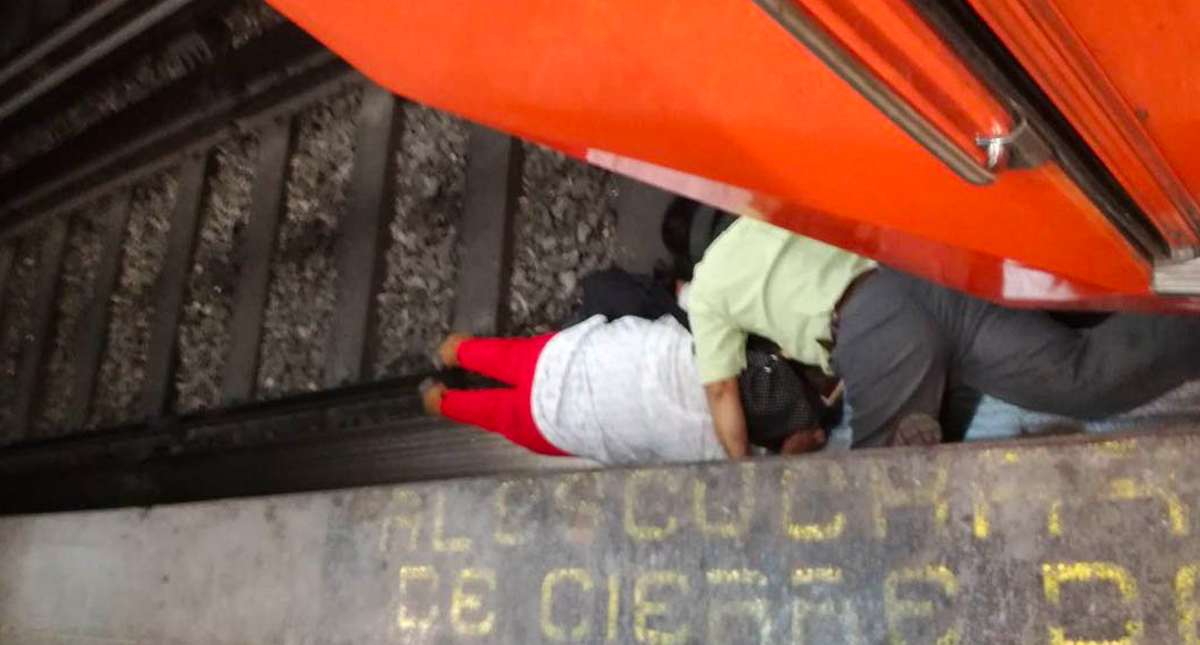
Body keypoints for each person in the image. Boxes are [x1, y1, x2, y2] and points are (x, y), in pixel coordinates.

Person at [684, 209, 1200, 454]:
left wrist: (743, 479)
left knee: (885, 492)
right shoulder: (766, 213)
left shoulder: (707, 288)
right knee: (1082, 379)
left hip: (875, 327)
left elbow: (721, 388)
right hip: (927, 281)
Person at [420, 314, 826, 465]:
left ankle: (459, 352)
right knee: (506, 416)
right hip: (570, 423)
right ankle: (445, 402)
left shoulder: (724, 341)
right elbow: (784, 466)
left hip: (587, 355)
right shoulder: (722, 455)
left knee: (516, 357)